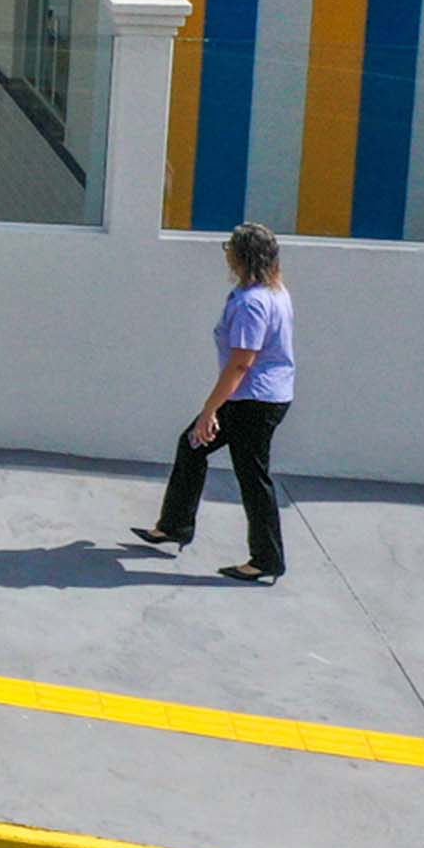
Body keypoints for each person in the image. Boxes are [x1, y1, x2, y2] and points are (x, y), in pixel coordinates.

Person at [133, 223, 296, 583]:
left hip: (252, 401)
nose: (226, 252)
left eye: (230, 247)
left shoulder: (253, 303)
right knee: (191, 446)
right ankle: (174, 525)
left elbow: (241, 363)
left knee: (251, 477)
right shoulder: (272, 292)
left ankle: (267, 558)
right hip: (261, 396)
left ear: (242, 255)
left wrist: (210, 410)